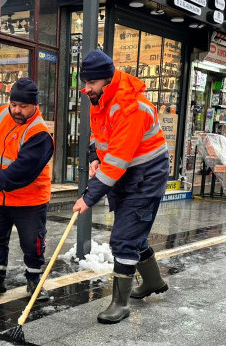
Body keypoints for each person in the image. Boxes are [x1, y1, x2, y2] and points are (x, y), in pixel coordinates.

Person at [72, 50, 170, 324]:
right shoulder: (101, 99)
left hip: (147, 174)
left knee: (124, 238)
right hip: (127, 172)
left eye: (91, 83)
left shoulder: (130, 107)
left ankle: (120, 303)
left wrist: (88, 197)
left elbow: (116, 161)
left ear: (106, 80)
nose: (86, 89)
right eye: (85, 82)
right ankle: (153, 282)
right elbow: (99, 134)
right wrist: (94, 157)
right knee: (133, 233)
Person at [0, 78, 55, 301]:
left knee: (32, 243)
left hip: (30, 200)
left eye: (23, 106)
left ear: (35, 105)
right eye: (13, 104)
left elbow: (23, 171)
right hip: (1, 198)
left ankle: (34, 279)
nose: (16, 110)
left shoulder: (40, 134)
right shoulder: (0, 114)